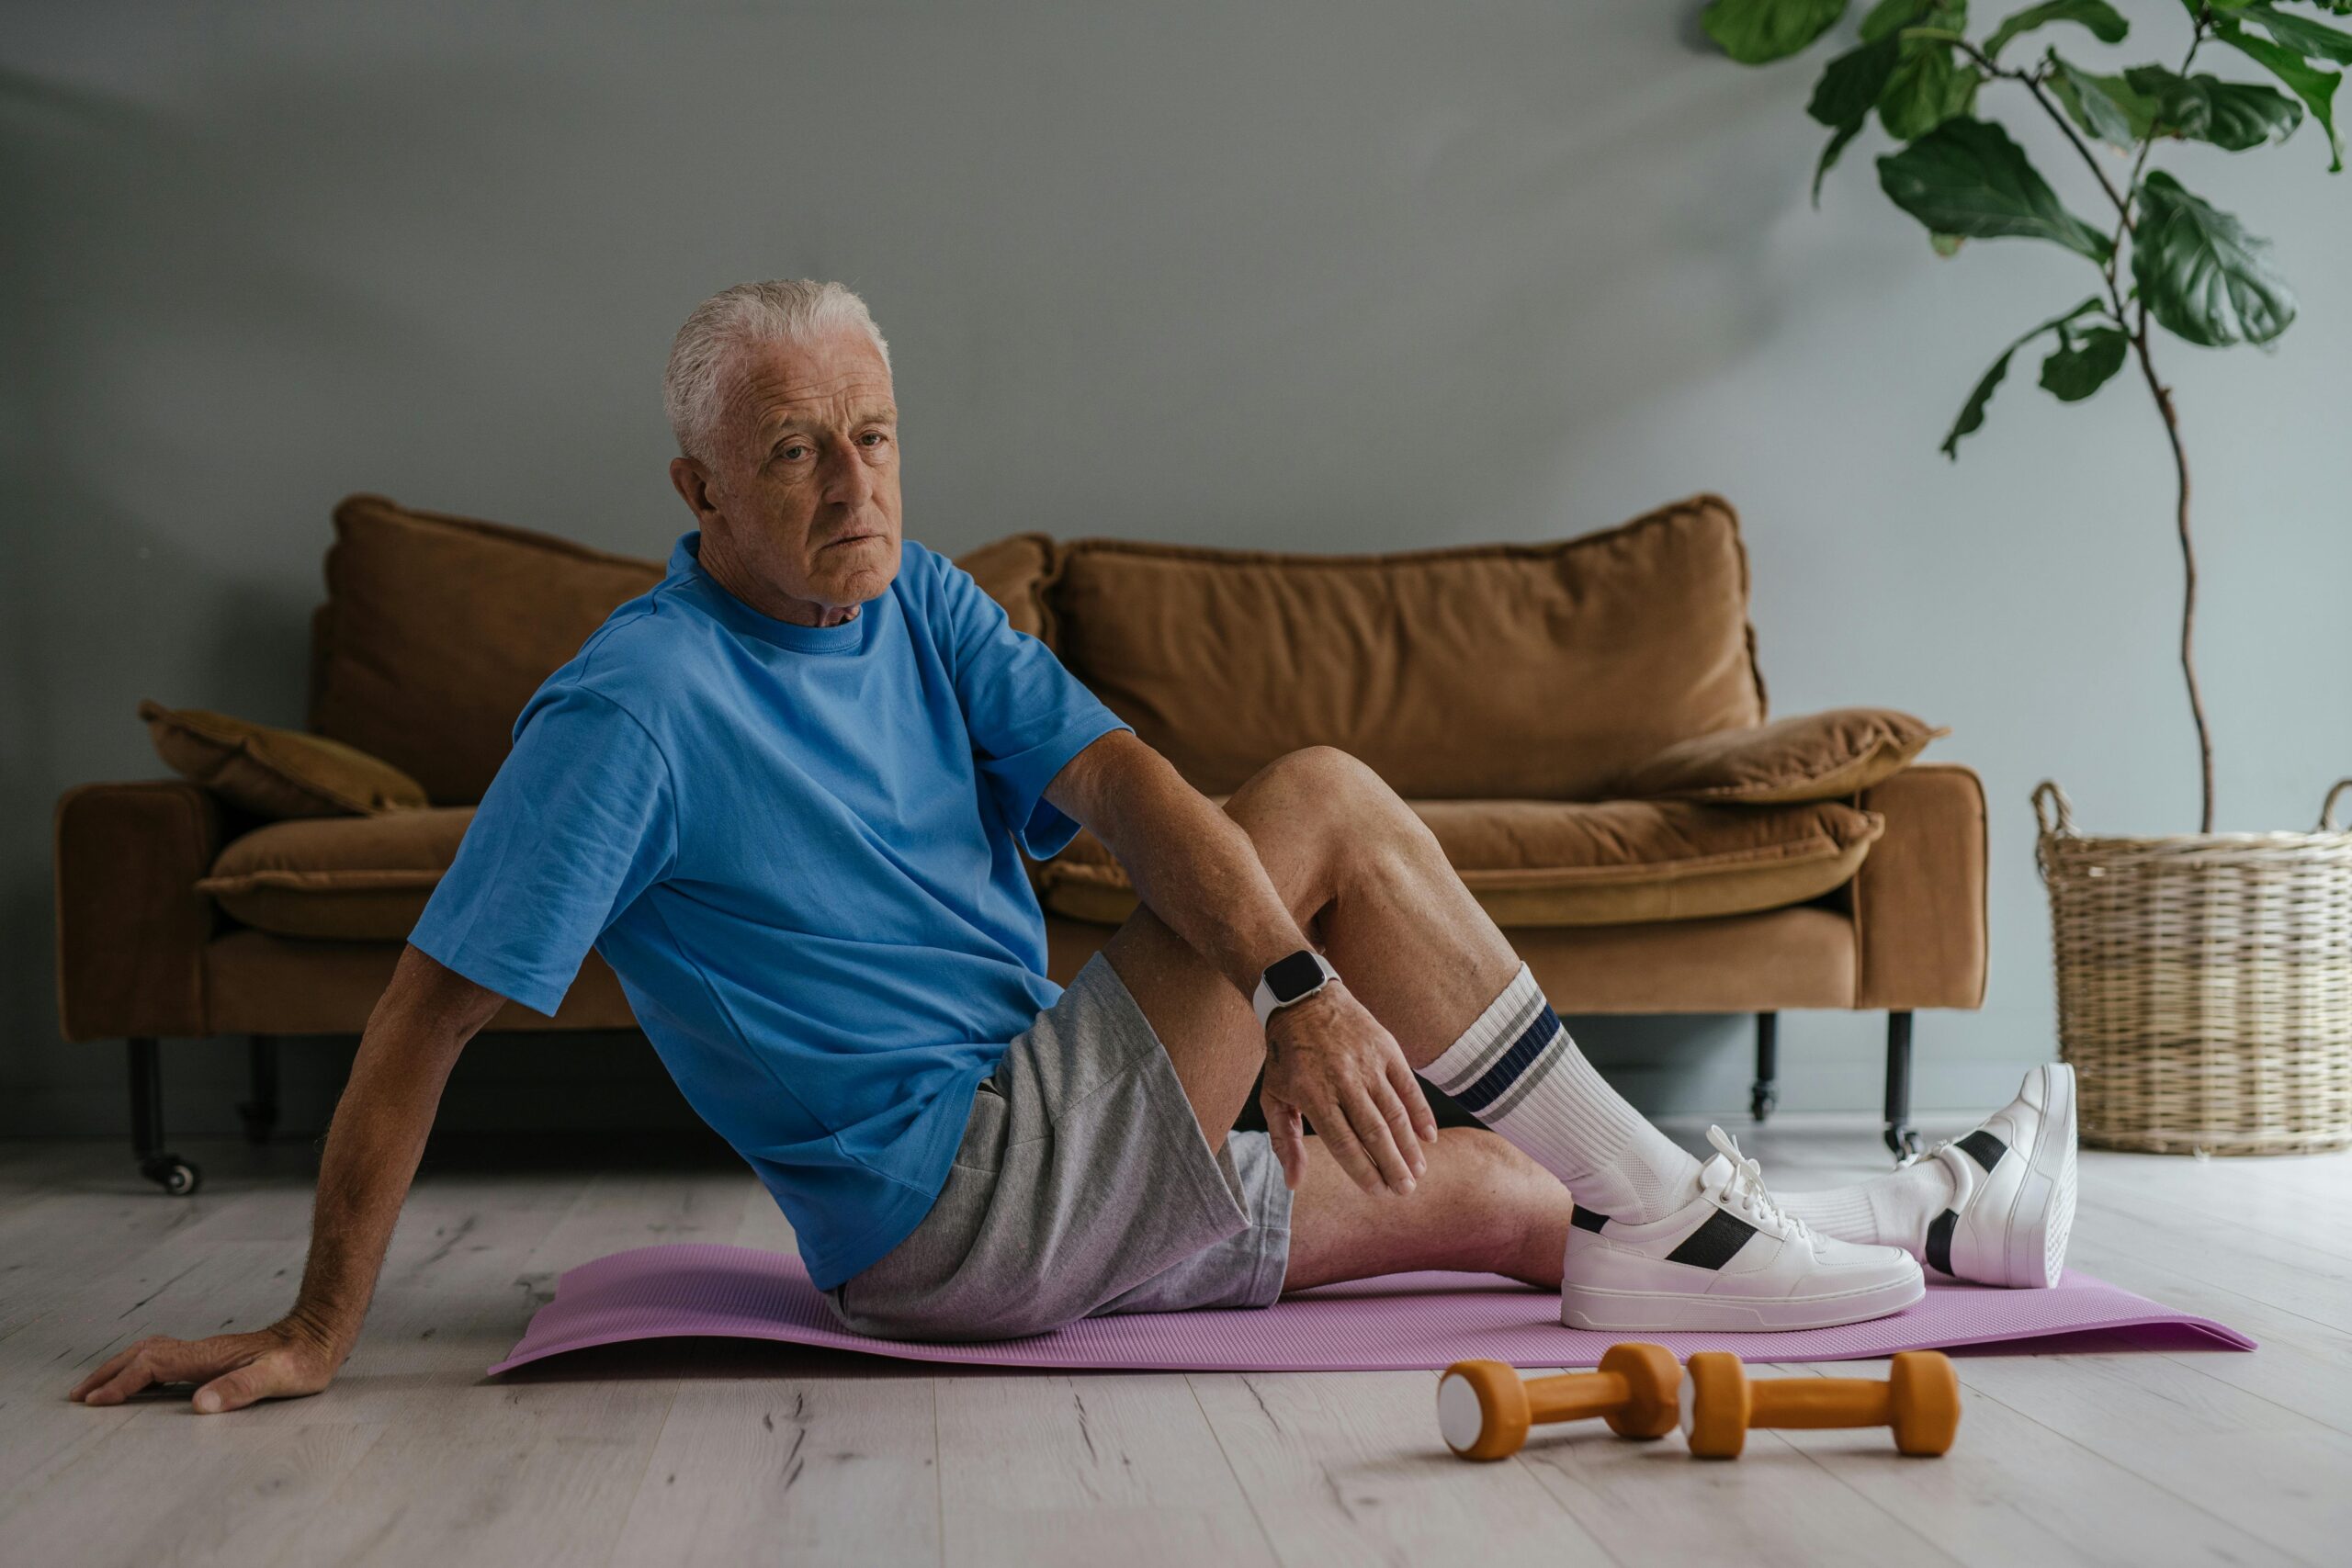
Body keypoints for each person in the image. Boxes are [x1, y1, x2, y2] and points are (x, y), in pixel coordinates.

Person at [70, 280, 2076, 1415]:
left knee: (1494, 1190)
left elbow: (1119, 789)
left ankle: (1916, 1214)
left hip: (1074, 1144)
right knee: (1321, 794)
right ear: (694, 484)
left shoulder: (917, 598)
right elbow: (419, 1018)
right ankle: (1688, 1218)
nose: (850, 482)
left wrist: (1275, 1006)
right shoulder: (636, 708)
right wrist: (319, 1322)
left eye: (872, 431)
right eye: (790, 449)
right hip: (959, 1204)